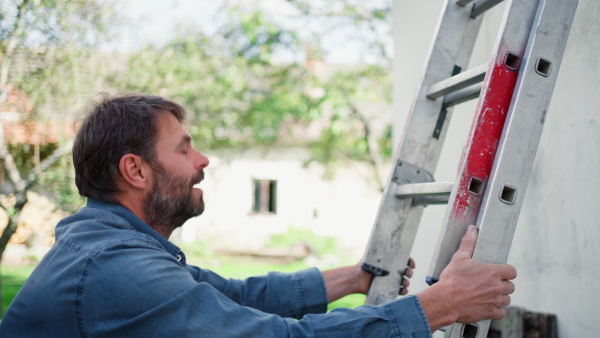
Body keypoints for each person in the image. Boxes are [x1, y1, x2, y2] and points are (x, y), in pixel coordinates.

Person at [0, 94, 516, 337]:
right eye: (184, 150)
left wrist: (354, 278)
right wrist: (438, 306)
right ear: (135, 170)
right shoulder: (115, 267)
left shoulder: (115, 245)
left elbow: (233, 296)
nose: (203, 161)